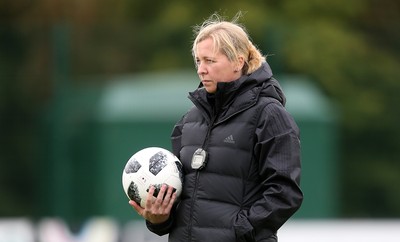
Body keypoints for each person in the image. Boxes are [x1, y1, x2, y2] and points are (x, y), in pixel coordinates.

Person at [129, 13, 303, 242]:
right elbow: (182, 199)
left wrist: (240, 231)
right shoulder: (189, 121)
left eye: (210, 61)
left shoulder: (270, 115)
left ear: (238, 62)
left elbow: (285, 193)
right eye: (198, 61)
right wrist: (160, 218)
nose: (201, 69)